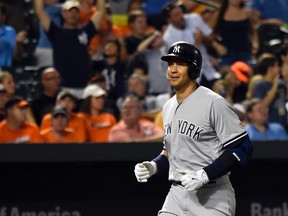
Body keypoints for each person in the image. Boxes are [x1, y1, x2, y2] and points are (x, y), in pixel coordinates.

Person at [134, 41, 253, 215]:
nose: (173, 69)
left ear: (194, 69)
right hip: (176, 193)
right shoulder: (168, 107)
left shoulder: (214, 103)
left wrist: (206, 174)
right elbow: (171, 152)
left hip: (213, 196)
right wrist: (154, 166)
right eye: (170, 64)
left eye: (180, 64)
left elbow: (242, 147)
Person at [33, 0, 105, 98]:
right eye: (69, 11)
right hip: (63, 88)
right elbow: (39, 12)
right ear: (63, 13)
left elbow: (100, 12)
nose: (73, 14)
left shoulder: (85, 32)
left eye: (76, 11)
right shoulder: (56, 32)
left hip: (83, 87)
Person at [161, 1, 222, 89]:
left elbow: (211, 38)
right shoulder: (168, 37)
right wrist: (197, 43)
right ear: (169, 19)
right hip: (191, 78)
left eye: (181, 12)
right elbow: (183, 61)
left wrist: (203, 37)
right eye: (176, 15)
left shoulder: (194, 18)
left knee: (221, 91)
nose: (181, 16)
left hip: (208, 70)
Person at [209, 0, 259, 70]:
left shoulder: (247, 12)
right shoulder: (220, 13)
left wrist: (255, 44)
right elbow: (209, 33)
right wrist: (216, 45)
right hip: (226, 53)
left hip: (245, 51)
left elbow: (253, 31)